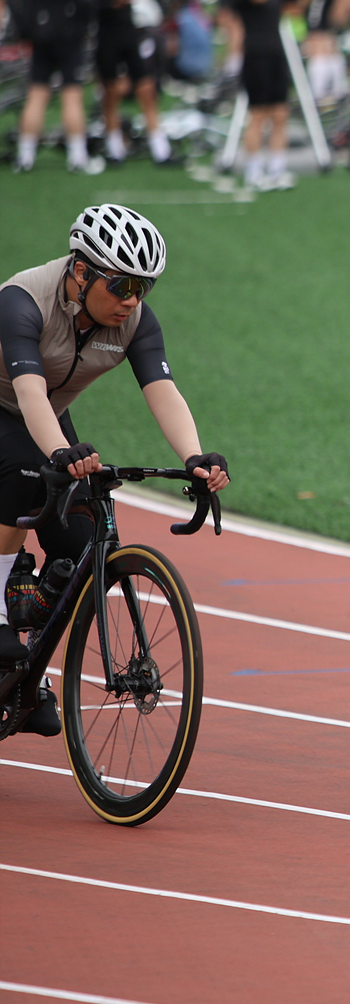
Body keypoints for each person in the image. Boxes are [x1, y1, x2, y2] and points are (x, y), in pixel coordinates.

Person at [0, 206, 229, 718]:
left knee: (81, 543)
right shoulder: (22, 301)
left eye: (143, 287)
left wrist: (193, 457)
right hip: (14, 403)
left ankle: (23, 670)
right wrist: (58, 453)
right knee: (23, 469)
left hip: (46, 414)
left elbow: (163, 390)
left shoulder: (135, 321)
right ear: (81, 271)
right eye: (122, 284)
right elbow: (28, 392)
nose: (132, 299)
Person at [11, 0, 101, 175]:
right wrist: (84, 26)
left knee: (37, 93)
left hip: (39, 36)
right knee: (71, 94)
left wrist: (26, 28)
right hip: (69, 36)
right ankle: (77, 156)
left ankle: (25, 155)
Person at [229, 0, 307, 191]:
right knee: (258, 115)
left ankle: (277, 169)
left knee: (281, 114)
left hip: (276, 53)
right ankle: (254, 172)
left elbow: (297, 7)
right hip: (256, 55)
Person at [92, 0, 172, 165]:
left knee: (146, 88)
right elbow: (89, 3)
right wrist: (112, 2)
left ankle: (160, 147)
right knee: (110, 92)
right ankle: (114, 147)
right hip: (107, 35)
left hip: (130, 33)